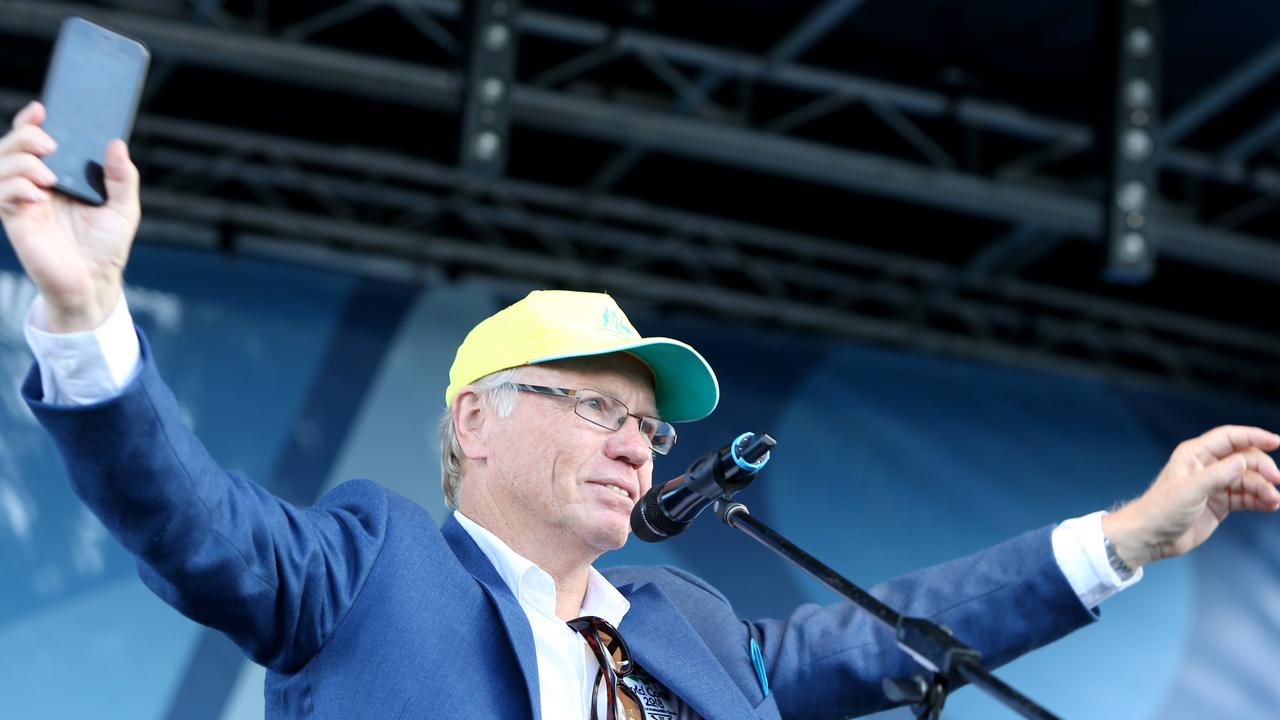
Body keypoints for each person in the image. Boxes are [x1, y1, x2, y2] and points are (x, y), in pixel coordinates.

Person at [3, 99, 1279, 720]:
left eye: (648, 427)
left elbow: (902, 635)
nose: (633, 442)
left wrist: (1127, 536)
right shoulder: (365, 564)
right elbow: (187, 518)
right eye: (591, 406)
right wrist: (86, 307)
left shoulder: (694, 631)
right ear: (474, 424)